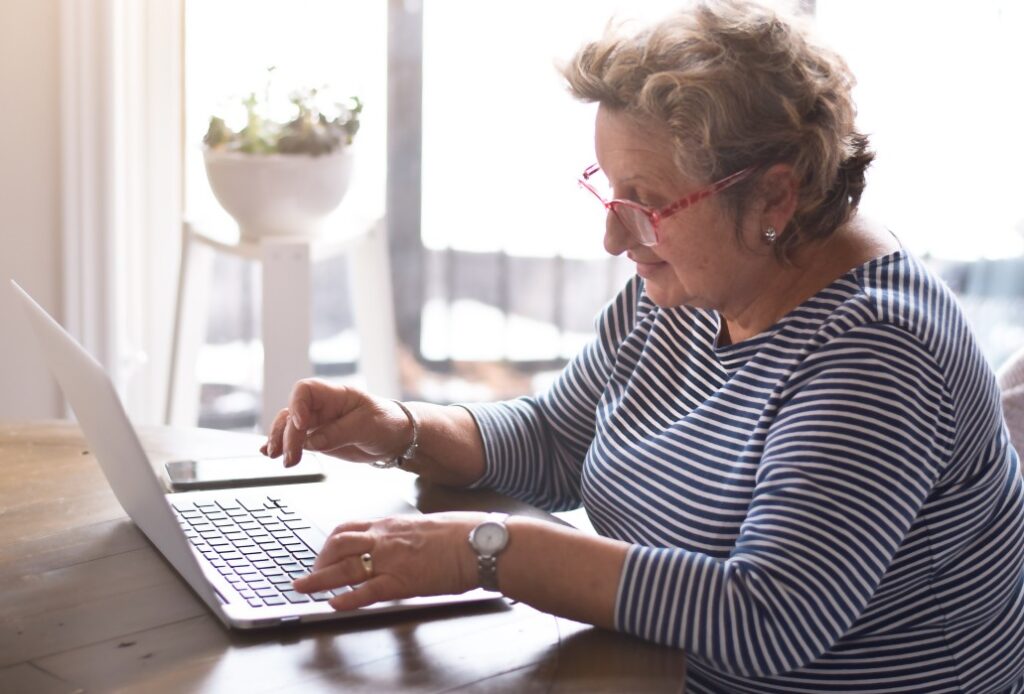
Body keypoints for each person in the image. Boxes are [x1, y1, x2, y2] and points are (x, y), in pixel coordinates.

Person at [262, 1, 1024, 691]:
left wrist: (482, 550)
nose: (613, 234)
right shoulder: (697, 282)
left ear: (775, 195)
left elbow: (766, 617)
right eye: (611, 189)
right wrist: (400, 428)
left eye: (648, 203)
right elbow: (561, 438)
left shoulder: (879, 350)